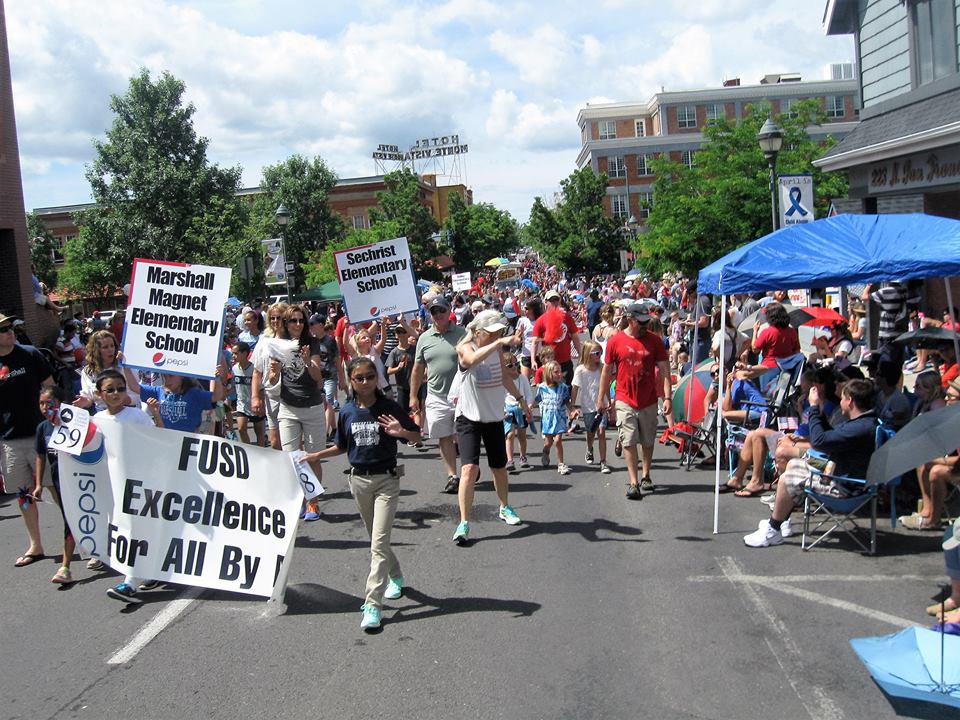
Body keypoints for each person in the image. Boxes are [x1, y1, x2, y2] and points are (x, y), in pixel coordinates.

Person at [303, 357, 422, 632]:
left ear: (376, 378)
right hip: (358, 482)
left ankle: (373, 604)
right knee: (376, 540)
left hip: (387, 482)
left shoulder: (389, 407)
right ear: (351, 381)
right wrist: (314, 455)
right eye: (360, 378)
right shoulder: (347, 412)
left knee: (378, 544)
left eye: (370, 376)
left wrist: (401, 431)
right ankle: (396, 576)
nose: (366, 382)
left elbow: (417, 437)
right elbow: (341, 447)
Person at [743, 379, 878, 548]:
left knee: (787, 478)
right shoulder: (867, 423)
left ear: (849, 401)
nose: (840, 401)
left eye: (843, 398)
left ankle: (773, 529)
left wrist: (813, 408)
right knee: (793, 464)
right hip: (846, 476)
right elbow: (831, 438)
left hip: (847, 488)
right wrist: (820, 413)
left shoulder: (859, 428)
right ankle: (783, 520)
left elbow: (820, 441)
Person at [451, 310, 529, 545]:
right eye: (493, 332)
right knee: (469, 469)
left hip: (494, 417)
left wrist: (521, 399)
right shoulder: (465, 347)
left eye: (500, 332)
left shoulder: (496, 349)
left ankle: (505, 507)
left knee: (499, 467)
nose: (498, 335)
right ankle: (464, 522)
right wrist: (500, 343)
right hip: (469, 418)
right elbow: (469, 361)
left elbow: (504, 377)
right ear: (478, 332)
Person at [96, 369, 164, 603]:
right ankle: (150, 570)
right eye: (110, 389)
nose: (116, 393)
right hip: (113, 485)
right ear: (99, 394)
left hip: (139, 482)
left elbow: (156, 442)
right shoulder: (97, 422)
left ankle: (131, 581)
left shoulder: (137, 416)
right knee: (124, 527)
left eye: (121, 388)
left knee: (135, 528)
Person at [598, 303, 672, 499]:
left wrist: (667, 397)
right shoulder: (616, 341)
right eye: (641, 322)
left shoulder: (654, 341)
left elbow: (665, 370)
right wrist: (602, 398)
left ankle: (646, 475)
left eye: (646, 322)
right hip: (624, 398)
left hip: (648, 399)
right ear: (630, 320)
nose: (644, 325)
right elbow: (606, 372)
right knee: (628, 440)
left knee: (647, 440)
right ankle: (633, 481)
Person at [1, 313, 55, 567]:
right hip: (9, 440)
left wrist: (55, 422)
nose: (10, 331)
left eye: (11, 327)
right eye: (3, 329)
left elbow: (50, 389)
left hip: (40, 435)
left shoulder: (31, 354)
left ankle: (78, 537)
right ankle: (36, 545)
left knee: (55, 488)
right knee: (24, 494)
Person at [266, 304, 326, 521]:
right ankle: (299, 500)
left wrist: (308, 359)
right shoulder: (278, 345)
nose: (298, 325)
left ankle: (313, 502)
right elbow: (272, 380)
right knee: (291, 458)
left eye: (302, 321)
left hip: (311, 406)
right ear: (286, 323)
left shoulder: (312, 343)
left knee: (313, 458)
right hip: (288, 408)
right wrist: (274, 372)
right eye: (294, 321)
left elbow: (317, 376)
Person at [410, 296, 466, 494]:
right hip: (436, 395)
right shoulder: (424, 338)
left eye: (442, 310)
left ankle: (469, 467)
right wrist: (413, 396)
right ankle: (453, 475)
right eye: (434, 311)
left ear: (449, 310)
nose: (438, 315)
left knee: (463, 436)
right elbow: (417, 369)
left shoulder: (463, 334)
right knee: (443, 436)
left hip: (462, 395)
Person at [33, 387, 78, 584]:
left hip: (80, 480)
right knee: (69, 520)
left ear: (60, 403)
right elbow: (40, 456)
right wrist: (38, 484)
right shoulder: (42, 428)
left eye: (49, 403)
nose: (45, 407)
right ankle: (66, 569)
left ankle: (66, 565)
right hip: (60, 482)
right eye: (41, 403)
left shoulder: (74, 423)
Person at [571, 340, 610, 473]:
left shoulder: (602, 367)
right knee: (591, 432)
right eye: (596, 353)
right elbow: (575, 388)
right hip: (588, 406)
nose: (600, 355)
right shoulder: (580, 370)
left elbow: (606, 385)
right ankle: (589, 448)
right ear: (588, 354)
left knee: (601, 431)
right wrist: (572, 406)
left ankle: (603, 461)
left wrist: (609, 401)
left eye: (601, 352)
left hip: (602, 405)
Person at [530, 289, 582, 386]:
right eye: (551, 300)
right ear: (545, 302)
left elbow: (575, 337)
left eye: (556, 300)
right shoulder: (541, 320)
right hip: (549, 364)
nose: (554, 302)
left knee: (567, 391)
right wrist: (533, 360)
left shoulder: (567, 317)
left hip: (565, 361)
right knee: (551, 393)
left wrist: (580, 353)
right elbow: (534, 342)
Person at [536, 360, 574, 475]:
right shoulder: (542, 388)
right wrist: (528, 408)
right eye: (556, 372)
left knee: (558, 440)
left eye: (560, 372)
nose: (559, 374)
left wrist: (572, 410)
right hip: (547, 419)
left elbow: (567, 401)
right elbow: (537, 400)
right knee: (548, 442)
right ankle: (545, 451)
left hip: (559, 417)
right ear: (549, 373)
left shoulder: (563, 388)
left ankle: (561, 464)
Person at [310, 315, 343, 440]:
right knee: (324, 404)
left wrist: (342, 378)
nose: (311, 327)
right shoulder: (311, 341)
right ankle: (334, 429)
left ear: (321, 325)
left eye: (313, 324)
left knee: (328, 401)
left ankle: (324, 433)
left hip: (330, 376)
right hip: (317, 377)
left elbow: (337, 359)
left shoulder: (330, 340)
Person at [502, 352, 533, 472]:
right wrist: (503, 411)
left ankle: (523, 456)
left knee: (522, 436)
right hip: (509, 411)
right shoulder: (504, 381)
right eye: (510, 366)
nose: (514, 367)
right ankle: (510, 460)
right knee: (509, 435)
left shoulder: (523, 378)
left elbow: (529, 394)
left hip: (522, 410)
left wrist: (529, 405)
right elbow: (501, 397)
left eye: (516, 364)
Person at [231, 341, 265, 446]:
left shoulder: (254, 369)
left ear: (245, 353)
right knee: (241, 429)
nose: (233, 356)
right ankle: (249, 450)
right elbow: (233, 386)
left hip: (255, 405)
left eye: (236, 353)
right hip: (242, 405)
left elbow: (262, 389)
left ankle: (261, 452)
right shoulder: (234, 369)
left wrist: (261, 403)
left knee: (259, 432)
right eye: (233, 353)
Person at [752, 302, 800, 369]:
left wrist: (755, 331)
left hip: (769, 367)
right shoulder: (792, 331)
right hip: (788, 367)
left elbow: (755, 349)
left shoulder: (767, 332)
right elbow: (797, 350)